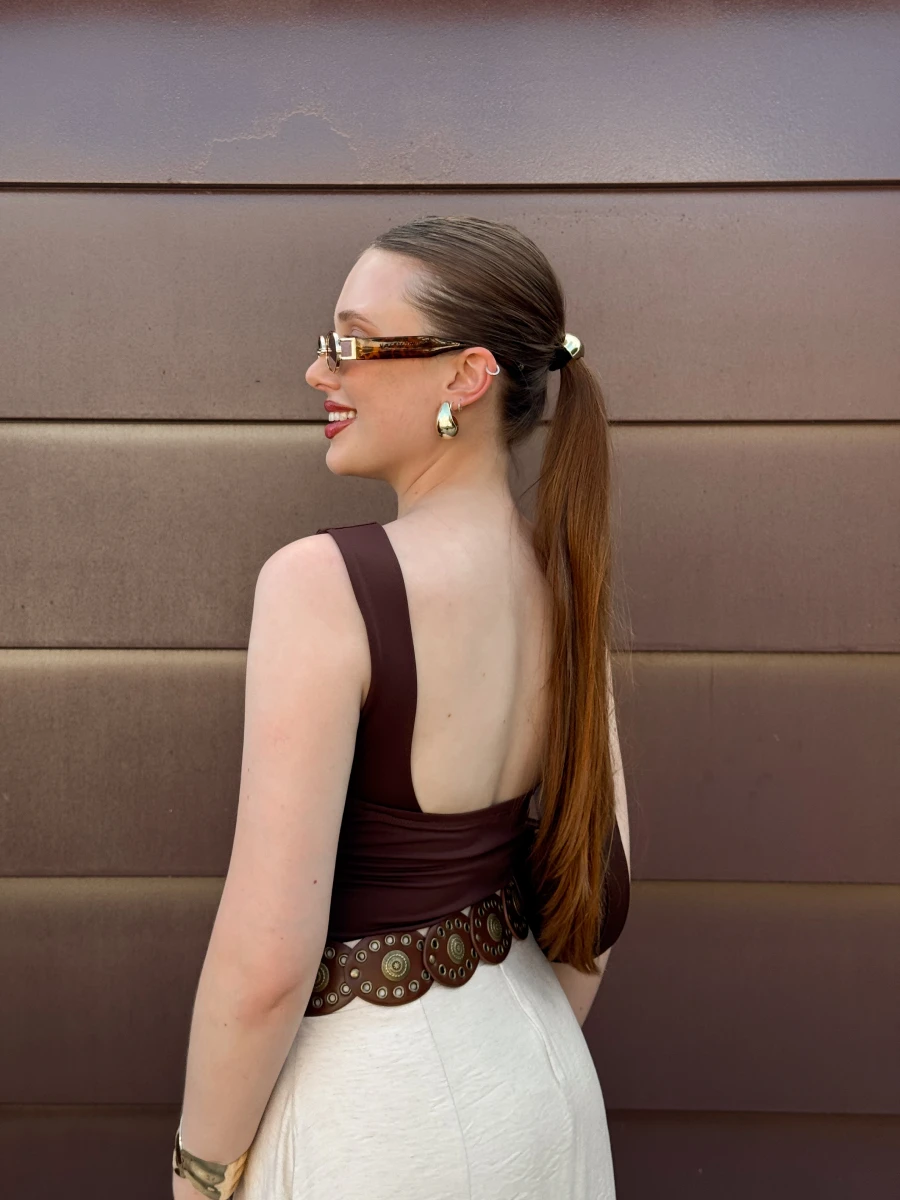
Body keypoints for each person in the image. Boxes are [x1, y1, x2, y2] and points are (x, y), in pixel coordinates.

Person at [172, 214, 632, 1200]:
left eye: (354, 342)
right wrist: (509, 1048)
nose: (319, 371)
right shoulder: (564, 582)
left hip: (378, 1118)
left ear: (466, 376)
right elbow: (598, 899)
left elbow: (266, 963)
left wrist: (200, 1172)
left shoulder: (321, 586)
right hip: (541, 1084)